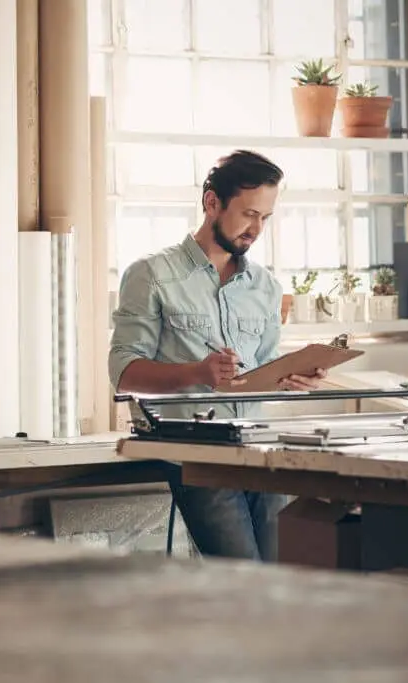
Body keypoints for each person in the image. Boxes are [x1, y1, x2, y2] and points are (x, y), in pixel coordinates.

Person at [108, 150, 326, 562]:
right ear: (212, 203)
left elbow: (262, 369)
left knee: (283, 577)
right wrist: (198, 372)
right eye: (249, 214)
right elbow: (124, 372)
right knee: (244, 579)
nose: (256, 229)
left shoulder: (265, 287)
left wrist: (291, 377)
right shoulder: (151, 275)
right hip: (199, 458)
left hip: (261, 452)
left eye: (265, 218)